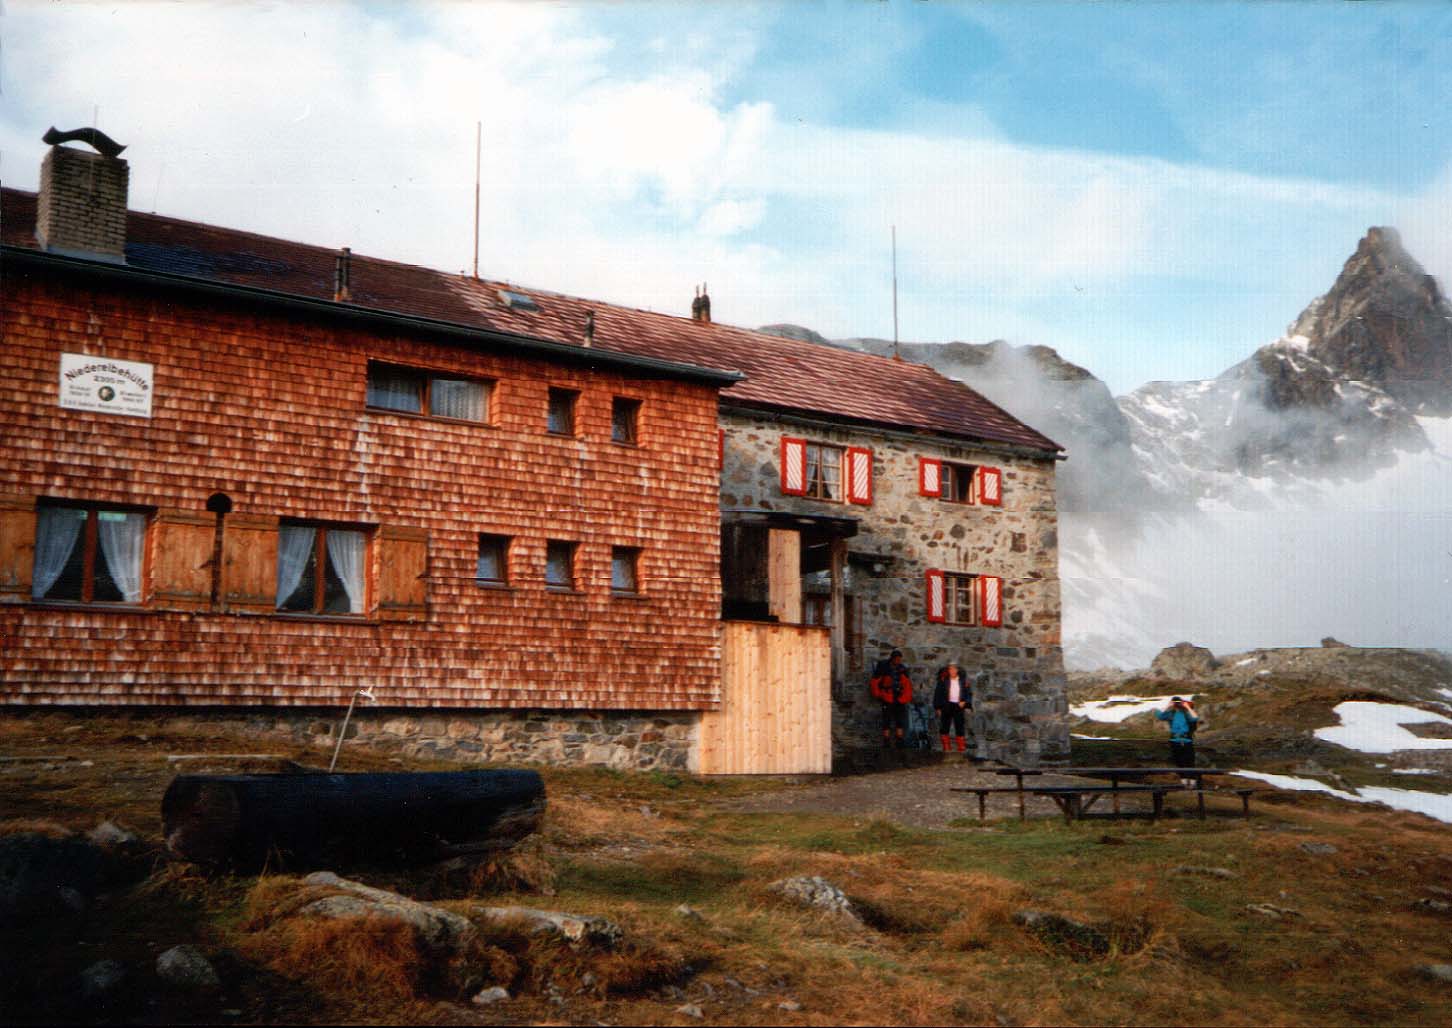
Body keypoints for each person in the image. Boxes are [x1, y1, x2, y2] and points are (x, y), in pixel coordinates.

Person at [869, 650, 913, 749]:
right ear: (892, 658)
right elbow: (875, 682)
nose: (898, 661)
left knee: (900, 720)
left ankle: (899, 740)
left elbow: (907, 684)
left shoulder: (902, 669)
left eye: (899, 659)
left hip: (899, 698)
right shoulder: (883, 668)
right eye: (897, 659)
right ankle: (886, 741)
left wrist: (905, 697)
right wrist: (879, 695)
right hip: (887, 697)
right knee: (886, 720)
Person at [1155, 696, 1199, 786]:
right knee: (1179, 762)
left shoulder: (1186, 713)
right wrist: (1168, 705)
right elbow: (1159, 715)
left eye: (1178, 702)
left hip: (1187, 740)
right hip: (1174, 740)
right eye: (1176, 702)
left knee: (1189, 761)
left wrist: (1187, 707)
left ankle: (1192, 781)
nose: (1177, 704)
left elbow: (1195, 718)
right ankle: (1184, 782)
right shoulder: (1171, 714)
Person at [932, 662, 973, 756]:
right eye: (950, 669)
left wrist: (965, 702)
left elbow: (969, 693)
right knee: (945, 725)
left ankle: (961, 748)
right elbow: (937, 694)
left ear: (957, 670)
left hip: (958, 705)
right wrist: (938, 707)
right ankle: (946, 747)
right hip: (946, 705)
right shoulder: (943, 681)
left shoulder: (963, 681)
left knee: (959, 725)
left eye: (954, 669)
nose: (952, 671)